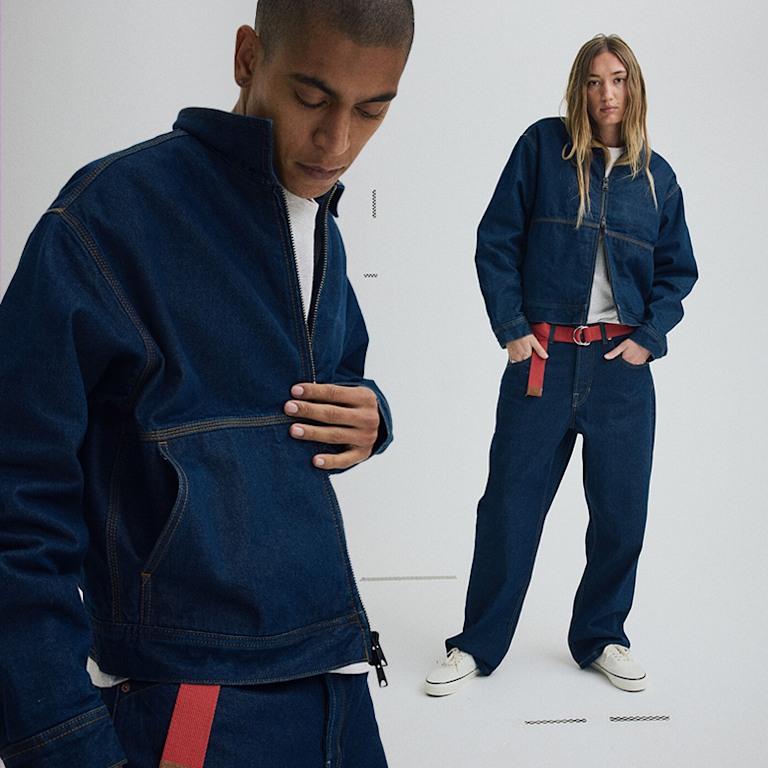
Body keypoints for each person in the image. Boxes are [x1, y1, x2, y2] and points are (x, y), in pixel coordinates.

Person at [0, 1, 414, 765]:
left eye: (372, 111)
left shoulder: (316, 216)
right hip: (192, 696)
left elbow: (332, 372)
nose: (338, 142)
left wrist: (373, 416)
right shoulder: (106, 218)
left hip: (339, 676)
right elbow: (16, 502)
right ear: (248, 57)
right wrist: (59, 740)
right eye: (313, 99)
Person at [425, 34, 697, 697]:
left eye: (618, 79)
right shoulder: (542, 149)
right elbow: (497, 240)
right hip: (542, 363)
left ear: (633, 88)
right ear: (579, 89)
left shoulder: (656, 177)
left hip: (619, 371)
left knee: (621, 515)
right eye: (593, 81)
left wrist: (647, 338)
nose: (606, 93)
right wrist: (512, 328)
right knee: (509, 509)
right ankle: (477, 645)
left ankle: (601, 636)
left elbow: (677, 272)